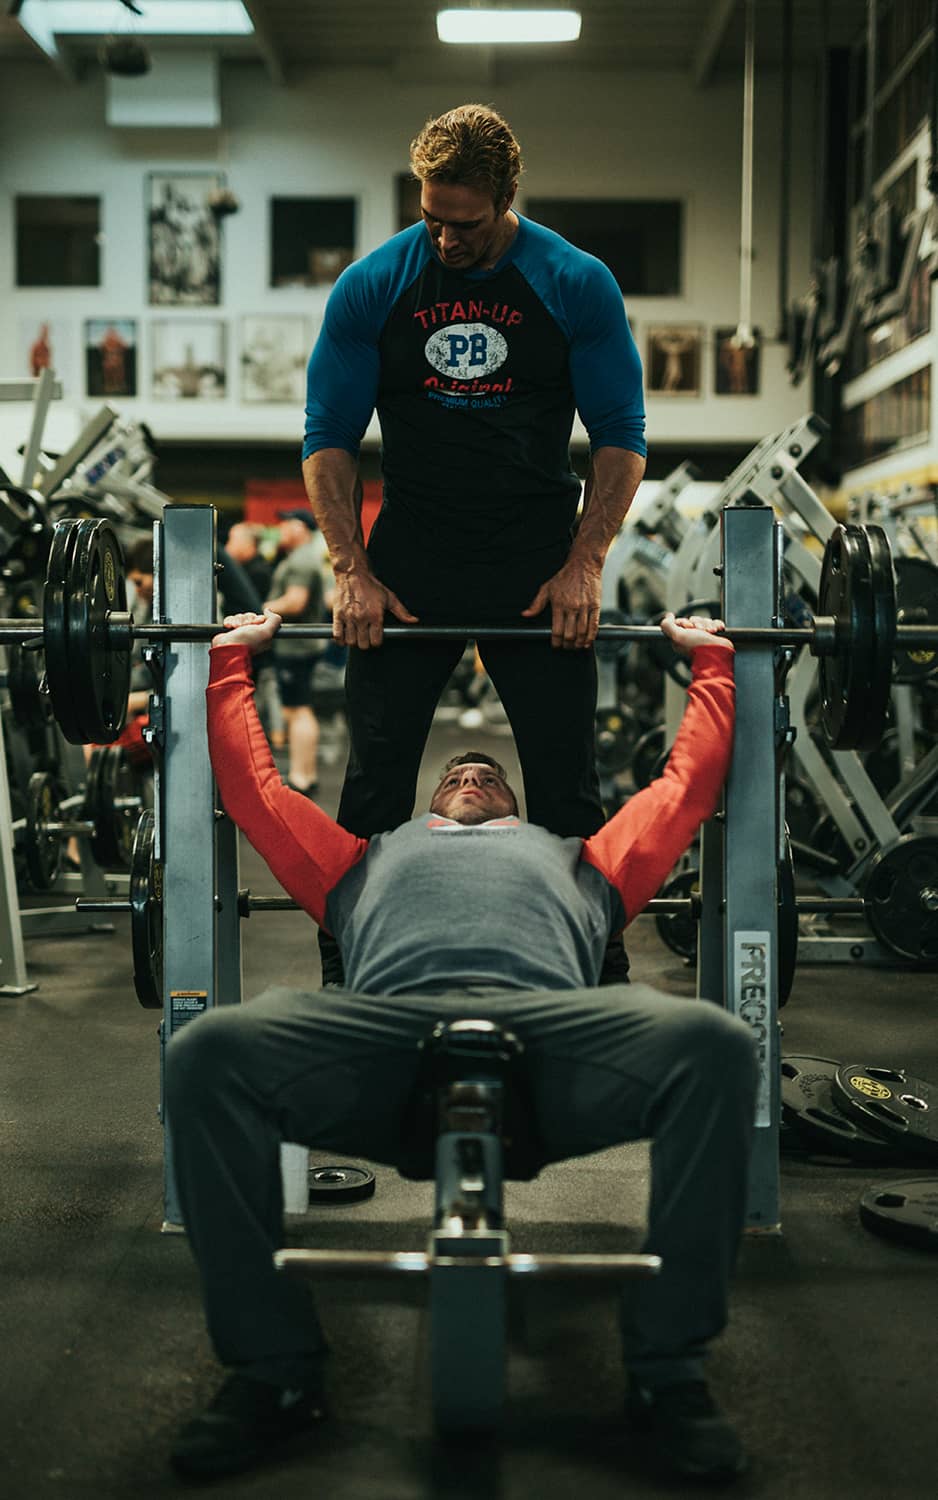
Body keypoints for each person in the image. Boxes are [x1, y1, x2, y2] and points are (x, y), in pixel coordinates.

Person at [165, 609, 756, 1485]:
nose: (472, 772)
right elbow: (256, 793)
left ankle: (668, 1370)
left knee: (714, 1042)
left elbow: (685, 788)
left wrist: (711, 660)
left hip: (550, 1036)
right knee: (208, 1051)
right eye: (456, 772)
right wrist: (227, 663)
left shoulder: (584, 860)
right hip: (386, 1035)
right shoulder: (361, 859)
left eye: (488, 772)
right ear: (431, 805)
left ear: (518, 806)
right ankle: (273, 1369)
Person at [301, 103, 646, 986]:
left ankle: (596, 969)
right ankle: (348, 967)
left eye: (464, 222)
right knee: (373, 781)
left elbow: (620, 432)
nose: (445, 239)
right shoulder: (375, 285)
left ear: (505, 198)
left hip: (536, 558)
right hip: (409, 556)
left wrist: (585, 563)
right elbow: (327, 435)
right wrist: (351, 571)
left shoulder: (574, 282)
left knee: (569, 783)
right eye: (430, 218)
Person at [263, 510, 327, 795]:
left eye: (286, 524)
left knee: (298, 710)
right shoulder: (299, 557)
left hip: (297, 648)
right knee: (295, 709)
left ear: (300, 528)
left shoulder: (301, 560)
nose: (282, 529)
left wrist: (261, 609)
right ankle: (304, 774)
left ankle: (303, 777)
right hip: (297, 647)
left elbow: (296, 601)